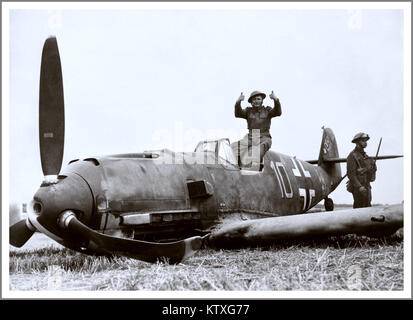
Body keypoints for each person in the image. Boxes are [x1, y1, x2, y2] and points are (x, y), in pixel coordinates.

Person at [232, 90, 281, 170]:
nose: (256, 101)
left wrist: (276, 99)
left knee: (253, 154)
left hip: (264, 137)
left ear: (262, 101)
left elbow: (277, 112)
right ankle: (233, 168)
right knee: (233, 148)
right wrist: (238, 102)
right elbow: (238, 113)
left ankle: (250, 167)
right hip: (251, 137)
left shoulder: (267, 110)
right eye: (254, 99)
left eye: (258, 99)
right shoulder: (248, 111)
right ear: (251, 102)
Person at [346, 132, 377, 208]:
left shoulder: (366, 157)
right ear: (357, 142)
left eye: (366, 141)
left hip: (367, 186)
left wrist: (373, 167)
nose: (365, 143)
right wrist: (359, 187)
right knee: (359, 209)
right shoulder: (352, 156)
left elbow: (372, 175)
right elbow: (351, 174)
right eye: (363, 141)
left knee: (368, 207)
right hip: (358, 189)